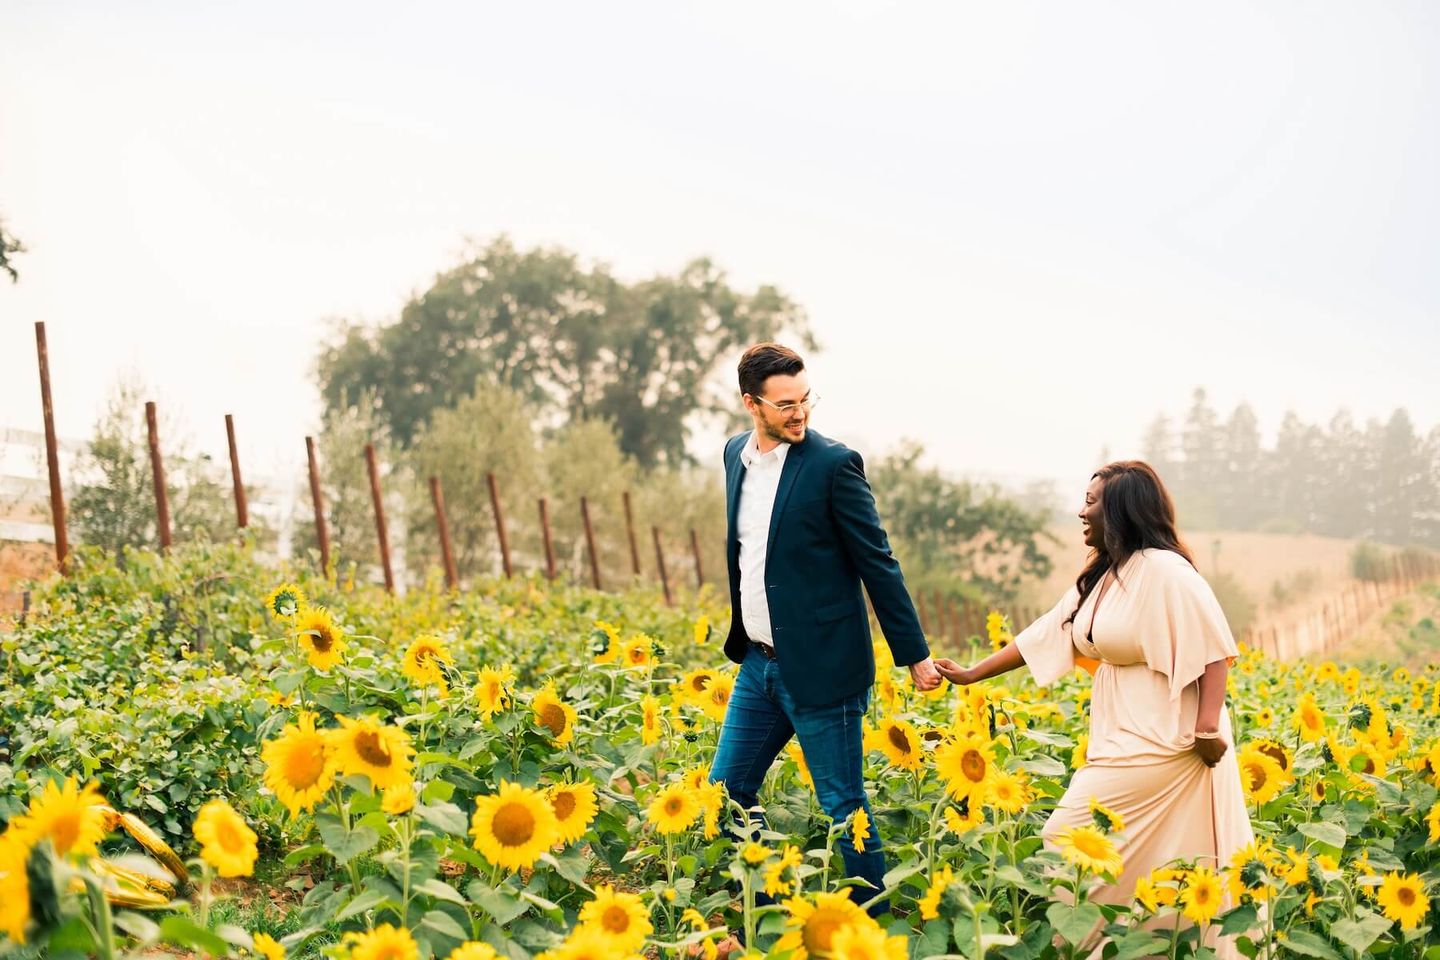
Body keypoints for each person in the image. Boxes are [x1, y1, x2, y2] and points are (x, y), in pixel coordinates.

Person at [935, 461, 1254, 957]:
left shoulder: (1165, 570)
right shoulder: (1108, 573)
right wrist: (974, 673)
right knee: (1140, 866)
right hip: (1120, 733)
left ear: (1121, 511)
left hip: (1167, 741)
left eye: (1091, 502)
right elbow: (1048, 631)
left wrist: (1209, 725)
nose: (1080, 512)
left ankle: (1083, 947)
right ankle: (1131, 948)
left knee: (1066, 839)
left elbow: (1216, 648)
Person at [708, 342, 941, 939]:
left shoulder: (833, 465)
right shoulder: (735, 454)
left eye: (805, 399)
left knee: (846, 808)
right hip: (759, 664)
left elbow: (877, 563)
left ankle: (875, 935)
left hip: (824, 670)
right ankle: (768, 896)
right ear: (750, 404)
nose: (799, 412)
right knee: (727, 790)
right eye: (784, 404)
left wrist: (912, 654)